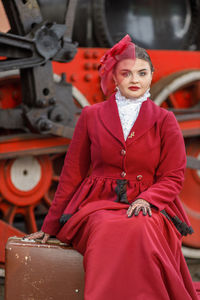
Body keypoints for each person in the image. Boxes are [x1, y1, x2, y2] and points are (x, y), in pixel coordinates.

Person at [25, 35, 199, 299]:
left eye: (142, 73)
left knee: (141, 226)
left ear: (152, 75)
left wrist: (148, 199)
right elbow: (72, 172)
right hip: (97, 202)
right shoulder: (91, 115)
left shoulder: (166, 120)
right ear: (114, 77)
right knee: (106, 226)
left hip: (150, 204)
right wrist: (49, 225)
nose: (134, 80)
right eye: (126, 73)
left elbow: (174, 175)